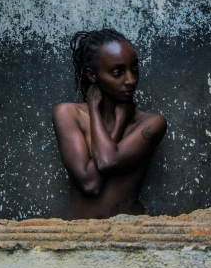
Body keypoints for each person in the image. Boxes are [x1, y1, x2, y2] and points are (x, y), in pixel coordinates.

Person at [52, 28, 167, 220]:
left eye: (135, 69)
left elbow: (107, 161)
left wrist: (120, 120)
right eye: (117, 72)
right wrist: (100, 113)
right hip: (76, 236)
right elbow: (90, 184)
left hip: (131, 237)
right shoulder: (68, 114)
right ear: (92, 75)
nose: (130, 80)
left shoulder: (151, 124)